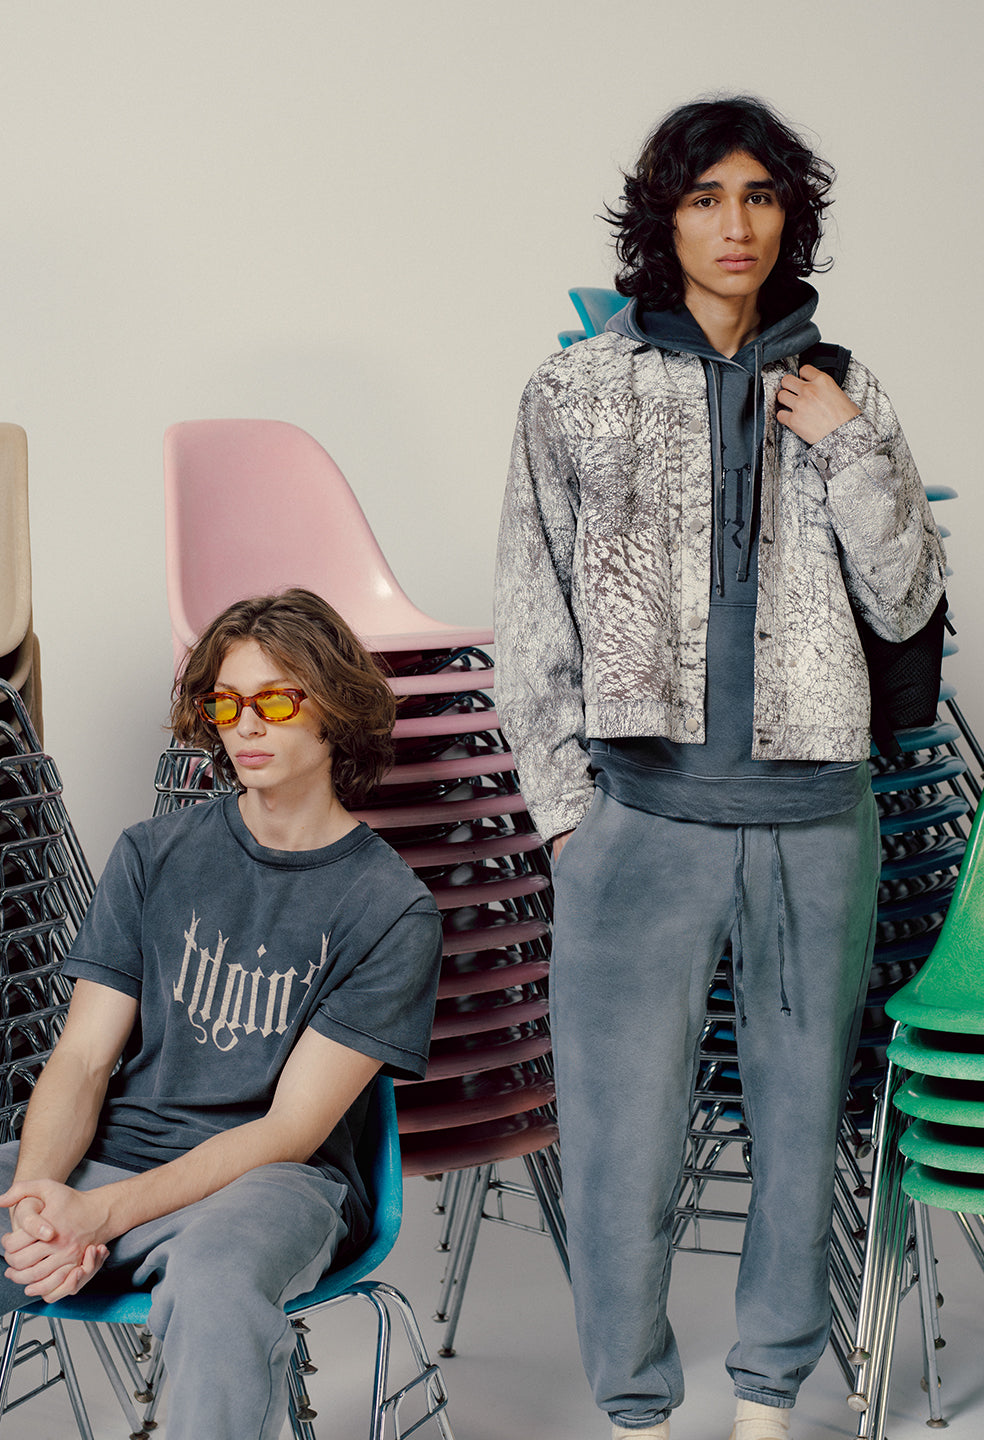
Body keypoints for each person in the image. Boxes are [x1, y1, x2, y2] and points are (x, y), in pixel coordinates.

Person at [494, 96, 947, 1440]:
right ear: (665, 219)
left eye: (758, 195)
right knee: (622, 1141)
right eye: (705, 198)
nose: (734, 224)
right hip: (641, 820)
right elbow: (531, 611)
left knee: (802, 1130)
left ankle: (766, 1402)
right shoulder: (575, 392)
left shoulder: (848, 388)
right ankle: (636, 1408)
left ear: (789, 216)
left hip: (816, 822)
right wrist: (568, 817)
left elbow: (909, 596)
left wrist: (847, 444)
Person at [0, 587, 443, 1440]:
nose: (245, 726)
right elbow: (83, 1058)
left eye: (275, 701)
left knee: (215, 1281)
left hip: (274, 1186)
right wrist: (42, 1201)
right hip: (110, 1159)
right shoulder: (152, 854)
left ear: (335, 710)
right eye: (227, 703)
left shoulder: (390, 909)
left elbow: (289, 1130)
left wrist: (104, 1216)